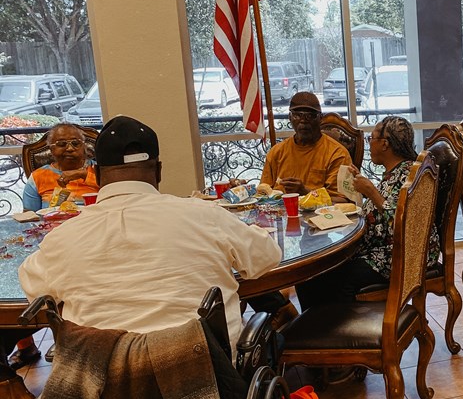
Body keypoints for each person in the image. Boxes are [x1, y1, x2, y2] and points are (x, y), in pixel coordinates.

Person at [19, 116, 282, 352]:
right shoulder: (206, 215)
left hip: (105, 390)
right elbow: (266, 256)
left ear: (97, 175)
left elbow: (36, 291)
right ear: (158, 171)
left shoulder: (62, 239)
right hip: (207, 377)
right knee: (274, 340)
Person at [296, 116, 439, 307]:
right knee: (313, 273)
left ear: (385, 144)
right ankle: (317, 327)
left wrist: (371, 191)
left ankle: (342, 331)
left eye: (371, 138)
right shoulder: (396, 172)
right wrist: (359, 189)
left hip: (397, 257)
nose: (369, 144)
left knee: (327, 278)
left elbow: (404, 225)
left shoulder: (407, 176)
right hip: (381, 250)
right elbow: (384, 206)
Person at [8, 124, 101, 369]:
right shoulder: (39, 177)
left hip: (91, 235)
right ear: (51, 149)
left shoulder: (98, 172)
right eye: (61, 144)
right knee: (21, 271)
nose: (69, 149)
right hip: (50, 239)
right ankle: (26, 346)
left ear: (85, 147)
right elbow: (30, 216)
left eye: (75, 143)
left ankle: (73, 334)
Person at [260, 91, 351, 201]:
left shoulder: (337, 154)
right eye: (297, 115)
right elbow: (263, 193)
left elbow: (342, 201)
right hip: (280, 214)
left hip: (321, 216)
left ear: (320, 118)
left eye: (310, 116)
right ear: (290, 117)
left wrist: (305, 192)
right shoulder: (276, 152)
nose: (303, 121)